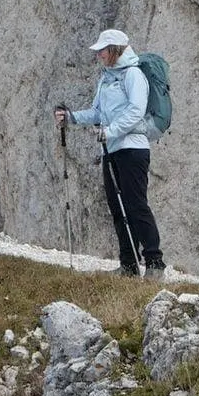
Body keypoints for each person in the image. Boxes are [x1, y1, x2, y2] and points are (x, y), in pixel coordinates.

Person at [55, 29, 165, 277]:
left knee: (136, 205)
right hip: (111, 149)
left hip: (133, 149)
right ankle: (129, 265)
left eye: (102, 50)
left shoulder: (133, 74)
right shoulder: (106, 78)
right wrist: (71, 118)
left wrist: (111, 131)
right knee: (118, 207)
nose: (99, 55)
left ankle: (155, 263)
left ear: (115, 49)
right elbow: (97, 113)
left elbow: (136, 110)